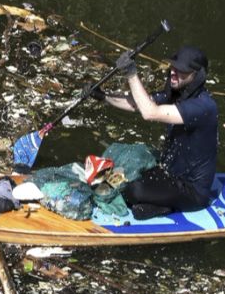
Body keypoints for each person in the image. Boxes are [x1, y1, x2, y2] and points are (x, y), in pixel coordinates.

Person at [89, 45, 218, 220]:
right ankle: (154, 202)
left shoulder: (204, 107)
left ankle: (163, 207)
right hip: (168, 173)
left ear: (196, 75)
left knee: (132, 190)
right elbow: (138, 103)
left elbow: (150, 112)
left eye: (181, 71)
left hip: (192, 191)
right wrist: (103, 96)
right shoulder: (177, 94)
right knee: (123, 173)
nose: (173, 72)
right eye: (173, 67)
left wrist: (131, 73)